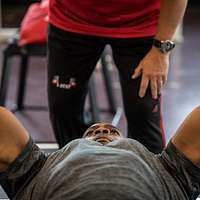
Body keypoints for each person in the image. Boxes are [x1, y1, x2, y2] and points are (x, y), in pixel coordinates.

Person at [47, 0, 188, 153]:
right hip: (72, 18)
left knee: (143, 112)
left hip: (141, 23)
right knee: (63, 108)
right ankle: (74, 169)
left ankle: (149, 174)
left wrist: (161, 50)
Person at [0, 106, 200, 200]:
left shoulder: (167, 169)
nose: (103, 130)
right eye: (92, 132)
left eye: (112, 132)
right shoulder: (38, 168)